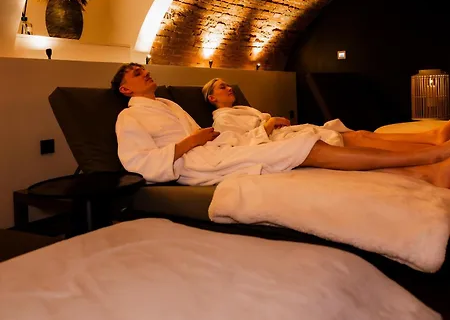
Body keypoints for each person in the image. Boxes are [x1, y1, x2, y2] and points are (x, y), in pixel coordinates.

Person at [112, 63, 450, 188]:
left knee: (319, 143)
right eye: (137, 74)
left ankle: (427, 162)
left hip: (216, 150)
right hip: (194, 164)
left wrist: (209, 139)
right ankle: (428, 156)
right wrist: (191, 143)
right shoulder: (129, 117)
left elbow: (215, 136)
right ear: (126, 90)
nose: (146, 73)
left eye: (144, 69)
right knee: (308, 146)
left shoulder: (168, 104)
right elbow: (138, 162)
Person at [203, 78, 450, 152]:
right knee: (359, 139)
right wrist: (270, 124)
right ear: (213, 99)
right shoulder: (221, 119)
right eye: (223, 87)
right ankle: (428, 144)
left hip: (285, 134)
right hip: (279, 144)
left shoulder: (242, 110)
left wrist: (274, 122)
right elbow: (241, 144)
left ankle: (429, 138)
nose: (229, 88)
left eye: (229, 85)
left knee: (360, 135)